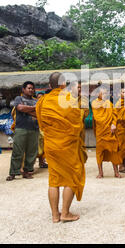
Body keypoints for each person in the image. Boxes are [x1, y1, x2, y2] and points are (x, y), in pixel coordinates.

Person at [36, 72, 86, 223]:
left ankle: (55, 215)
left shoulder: (43, 101)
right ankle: (65, 212)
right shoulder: (69, 99)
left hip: (51, 144)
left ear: (50, 86)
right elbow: (78, 123)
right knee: (72, 176)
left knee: (54, 179)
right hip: (67, 145)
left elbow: (41, 124)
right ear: (64, 84)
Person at [7, 81, 40, 181]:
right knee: (17, 151)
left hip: (34, 129)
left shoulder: (36, 101)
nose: (31, 90)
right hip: (21, 128)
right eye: (29, 88)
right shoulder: (19, 98)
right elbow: (20, 108)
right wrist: (33, 109)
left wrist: (27, 110)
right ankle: (13, 172)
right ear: (23, 89)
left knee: (32, 152)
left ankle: (27, 171)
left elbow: (39, 114)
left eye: (32, 88)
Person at [91, 86, 122, 178]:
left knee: (114, 150)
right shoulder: (94, 103)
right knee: (99, 152)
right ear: (98, 94)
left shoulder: (109, 103)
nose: (105, 95)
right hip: (101, 131)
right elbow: (98, 117)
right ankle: (100, 172)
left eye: (106, 93)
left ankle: (116, 172)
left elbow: (114, 115)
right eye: (103, 93)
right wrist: (107, 123)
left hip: (110, 131)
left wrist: (114, 124)